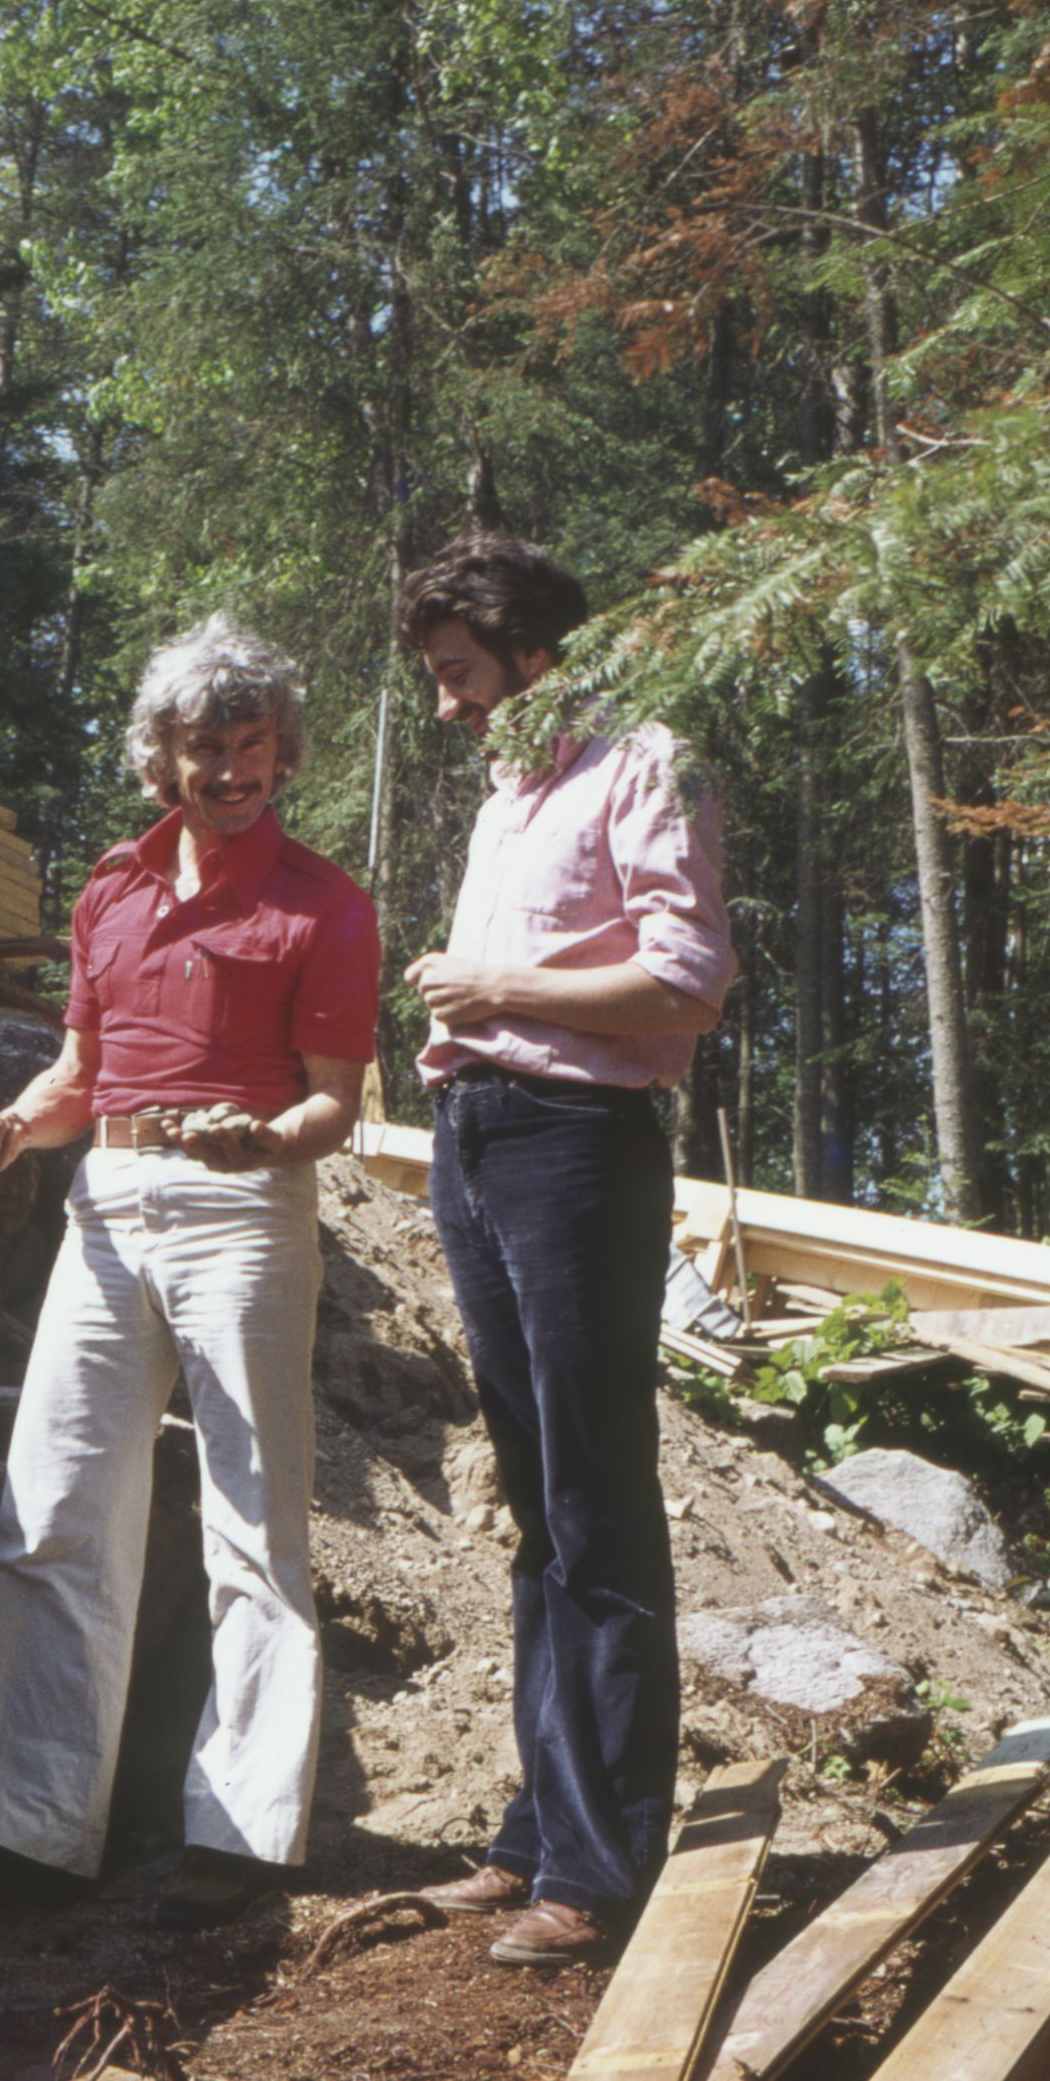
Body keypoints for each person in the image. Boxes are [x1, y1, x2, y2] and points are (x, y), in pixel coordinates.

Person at [0, 614, 380, 1926]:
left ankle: (235, 1842)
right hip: (107, 1201)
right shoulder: (110, 891)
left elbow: (336, 1106)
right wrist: (9, 1130)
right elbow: (77, 1079)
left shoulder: (325, 905)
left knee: (254, 1515)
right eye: (205, 748)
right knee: (56, 1505)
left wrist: (261, 1137)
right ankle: (28, 1828)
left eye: (255, 747)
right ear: (160, 759)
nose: (233, 770)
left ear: (285, 753)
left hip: (246, 1212)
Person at [398, 536, 734, 1966]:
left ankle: (600, 1866)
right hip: (478, 1135)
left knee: (596, 1491)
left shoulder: (644, 760)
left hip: (577, 1146)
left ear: (531, 650)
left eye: (459, 675)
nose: (445, 706)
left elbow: (688, 978)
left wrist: (495, 986)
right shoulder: (510, 793)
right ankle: (540, 1828)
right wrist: (459, 1032)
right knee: (536, 1496)